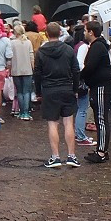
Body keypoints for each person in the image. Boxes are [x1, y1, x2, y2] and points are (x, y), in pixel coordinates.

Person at [33, 22, 82, 168]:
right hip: (66, 88)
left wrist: (39, 91)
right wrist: (75, 88)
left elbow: (37, 73)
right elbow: (76, 70)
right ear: (60, 33)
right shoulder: (68, 50)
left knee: (52, 123)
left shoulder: (41, 52)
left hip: (49, 89)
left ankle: (55, 157)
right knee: (68, 123)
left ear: (47, 34)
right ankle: (71, 156)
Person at [80, 22, 111, 164]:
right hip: (98, 85)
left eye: (86, 30)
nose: (84, 33)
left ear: (91, 32)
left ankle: (102, 151)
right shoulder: (98, 46)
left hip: (101, 86)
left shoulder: (97, 46)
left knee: (101, 119)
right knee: (100, 119)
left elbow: (90, 66)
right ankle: (102, 149)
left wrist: (81, 75)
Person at [72, 26, 97, 149]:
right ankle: (81, 136)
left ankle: (80, 134)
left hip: (78, 81)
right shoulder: (83, 47)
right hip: (82, 81)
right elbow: (80, 64)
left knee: (80, 109)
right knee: (82, 109)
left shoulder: (76, 46)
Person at [9, 23, 34, 120]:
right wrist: (33, 67)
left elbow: (10, 57)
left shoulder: (12, 43)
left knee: (19, 92)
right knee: (27, 91)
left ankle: (21, 112)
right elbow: (31, 56)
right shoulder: (28, 42)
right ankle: (26, 113)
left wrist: (9, 69)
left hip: (16, 70)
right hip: (27, 70)